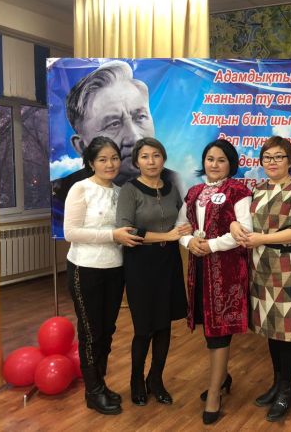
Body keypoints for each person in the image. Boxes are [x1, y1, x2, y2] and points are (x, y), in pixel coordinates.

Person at [231, 136, 291, 422]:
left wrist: (262, 239)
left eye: (279, 157)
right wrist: (235, 224)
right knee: (271, 329)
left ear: (290, 161)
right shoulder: (258, 190)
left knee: (287, 332)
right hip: (261, 269)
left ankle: (286, 390)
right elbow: (243, 220)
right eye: (267, 157)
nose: (273, 162)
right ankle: (277, 383)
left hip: (288, 269)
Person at [64, 136, 143, 415]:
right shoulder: (80, 189)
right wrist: (112, 235)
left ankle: (100, 383)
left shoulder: (121, 192)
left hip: (115, 269)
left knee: (107, 330)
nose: (110, 164)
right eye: (102, 159)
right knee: (90, 331)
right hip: (85, 268)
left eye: (114, 158)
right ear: (90, 162)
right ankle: (93, 391)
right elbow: (71, 232)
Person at [52, 61, 181, 234]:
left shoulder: (178, 185)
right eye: (113, 124)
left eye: (140, 117)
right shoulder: (61, 195)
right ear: (82, 145)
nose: (135, 137)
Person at [177, 139, 252, 425]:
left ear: (231, 164)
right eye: (210, 159)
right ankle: (223, 377)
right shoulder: (194, 192)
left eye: (221, 160)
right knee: (208, 327)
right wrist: (189, 242)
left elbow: (245, 231)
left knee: (218, 331)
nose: (215, 164)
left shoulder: (238, 191)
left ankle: (213, 393)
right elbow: (181, 227)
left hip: (227, 270)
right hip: (199, 268)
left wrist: (211, 245)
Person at [116, 137, 191, 407]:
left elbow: (182, 220)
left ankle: (156, 379)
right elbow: (125, 231)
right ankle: (136, 380)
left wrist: (184, 230)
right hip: (140, 263)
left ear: (164, 159)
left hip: (168, 262)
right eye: (145, 156)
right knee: (144, 328)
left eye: (156, 155)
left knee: (164, 325)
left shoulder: (171, 188)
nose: (151, 161)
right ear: (137, 161)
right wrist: (167, 235)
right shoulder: (130, 190)